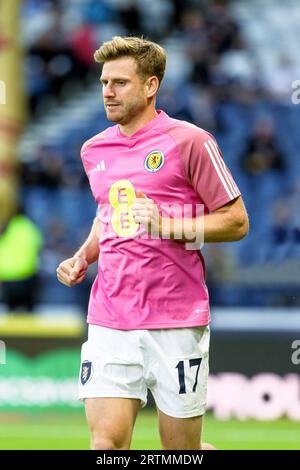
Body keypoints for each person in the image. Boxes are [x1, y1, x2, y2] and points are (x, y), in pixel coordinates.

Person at [56, 36, 249, 450]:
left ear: (150, 86)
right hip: (110, 316)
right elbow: (106, 213)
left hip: (176, 319)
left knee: (180, 452)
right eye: (105, 82)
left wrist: (169, 225)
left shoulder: (191, 142)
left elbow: (235, 223)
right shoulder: (94, 150)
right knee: (106, 446)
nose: (108, 91)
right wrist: (84, 255)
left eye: (120, 82)